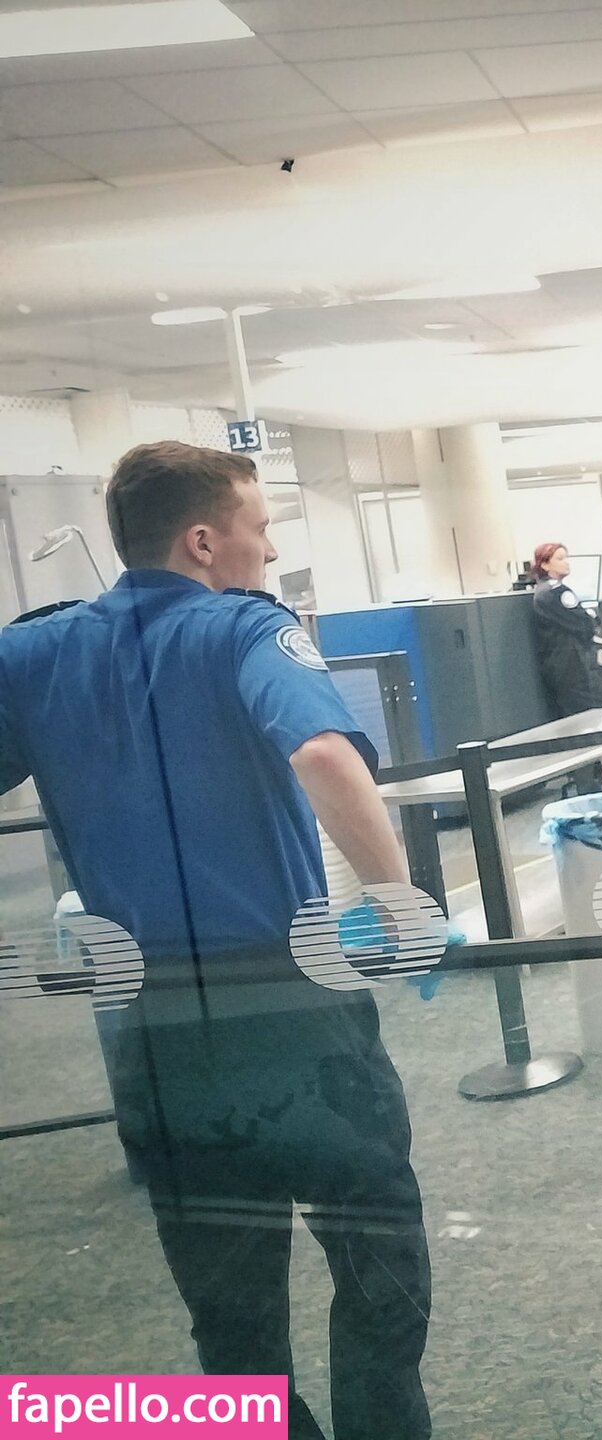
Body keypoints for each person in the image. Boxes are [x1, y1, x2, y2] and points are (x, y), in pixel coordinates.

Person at [0, 443, 431, 1438]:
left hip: (152, 1030)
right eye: (261, 528)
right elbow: (322, 751)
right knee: (378, 1261)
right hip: (290, 1010)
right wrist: (400, 902)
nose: (269, 551)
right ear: (203, 541)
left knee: (230, 1316)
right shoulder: (244, 628)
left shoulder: (32, 654)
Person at [528, 540, 602, 717]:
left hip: (563, 668)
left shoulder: (542, 592)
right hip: (574, 668)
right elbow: (585, 624)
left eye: (566, 557)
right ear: (544, 564)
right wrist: (592, 618)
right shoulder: (556, 592)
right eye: (560, 558)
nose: (566, 562)